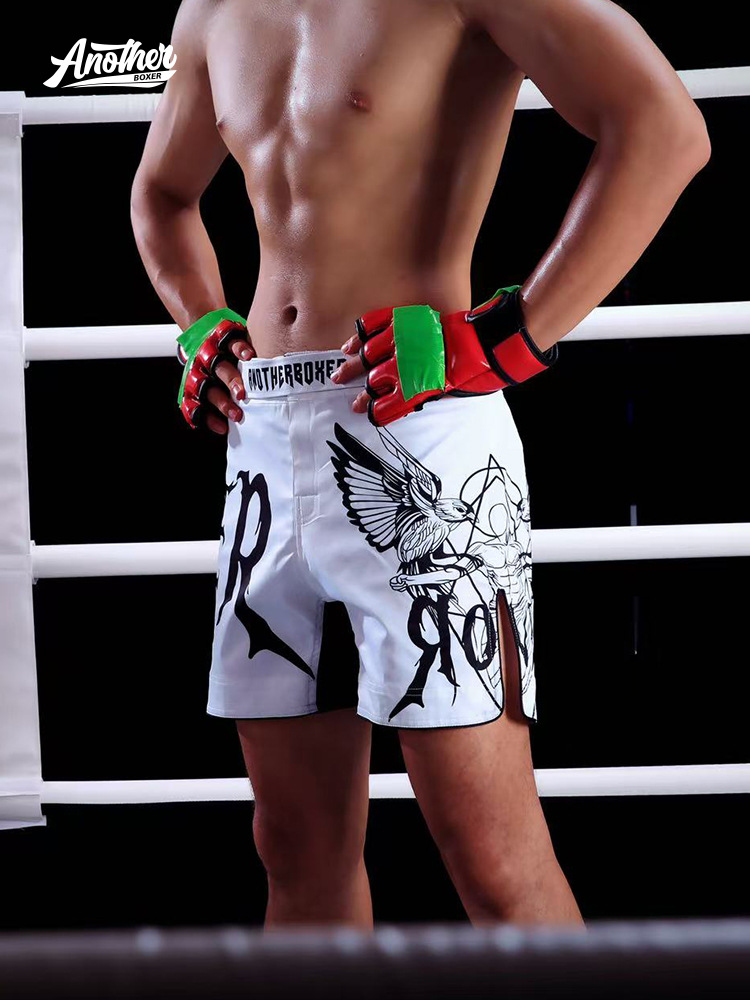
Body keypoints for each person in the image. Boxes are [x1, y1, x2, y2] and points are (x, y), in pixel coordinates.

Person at [131, 0, 710, 929]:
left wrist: (506, 337)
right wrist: (202, 319)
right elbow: (161, 194)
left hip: (421, 435)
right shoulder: (213, 8)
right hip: (264, 444)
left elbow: (665, 128)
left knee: (492, 857)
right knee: (295, 849)